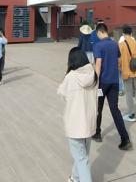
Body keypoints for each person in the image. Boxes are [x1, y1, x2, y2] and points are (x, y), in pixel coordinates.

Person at [57, 48, 98, 182]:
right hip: (89, 122)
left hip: (75, 124)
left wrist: (66, 73)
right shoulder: (93, 74)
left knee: (81, 159)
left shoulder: (71, 76)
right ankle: (75, 177)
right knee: (82, 155)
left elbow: (62, 94)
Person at [91, 23, 132, 150]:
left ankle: (97, 133)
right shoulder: (114, 44)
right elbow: (119, 60)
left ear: (99, 32)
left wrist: (95, 81)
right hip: (114, 81)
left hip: (102, 82)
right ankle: (125, 139)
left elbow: (98, 64)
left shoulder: (98, 45)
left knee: (98, 107)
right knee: (115, 109)